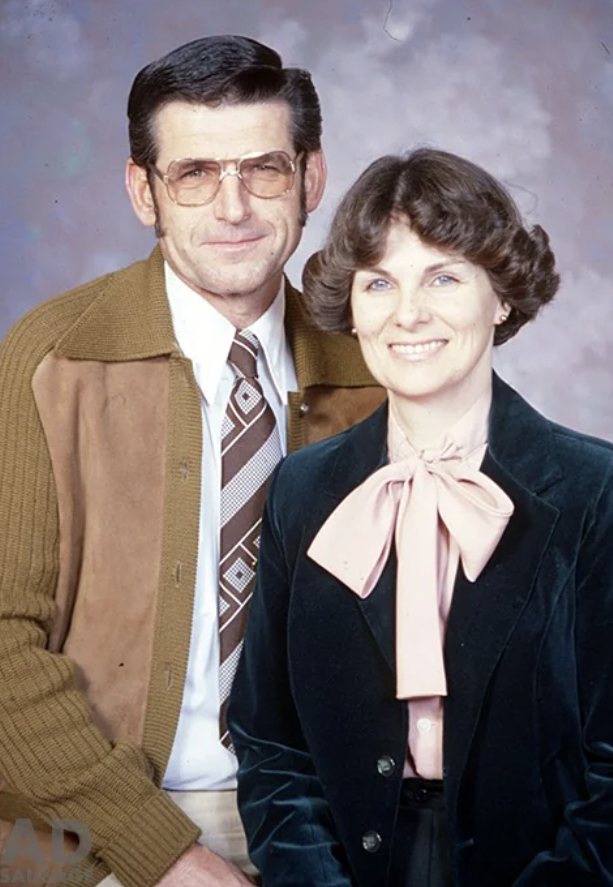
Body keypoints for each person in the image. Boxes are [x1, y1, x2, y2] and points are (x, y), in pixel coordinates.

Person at [0, 36, 385, 887]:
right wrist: (163, 855)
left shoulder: (379, 360)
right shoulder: (51, 356)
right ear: (145, 192)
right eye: (195, 173)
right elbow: (1, 643)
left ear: (312, 179)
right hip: (88, 826)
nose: (234, 206)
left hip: (332, 824)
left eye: (265, 170)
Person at [229, 147, 613, 886]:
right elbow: (269, 742)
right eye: (380, 282)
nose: (408, 314)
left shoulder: (594, 491)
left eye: (443, 276)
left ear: (500, 296)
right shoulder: (301, 491)